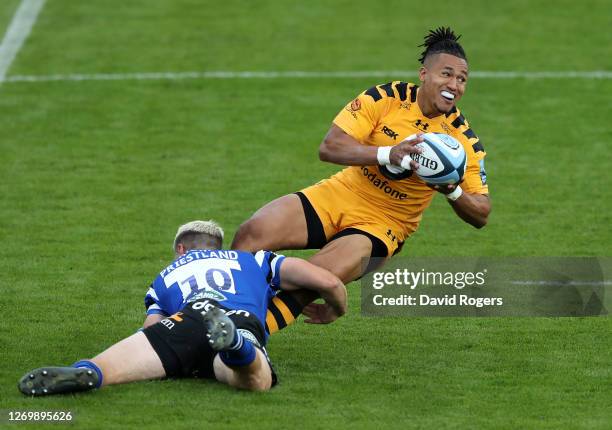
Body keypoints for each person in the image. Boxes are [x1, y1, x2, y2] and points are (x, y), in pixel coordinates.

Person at [231, 27, 491, 330]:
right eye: (446, 74)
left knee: (314, 277)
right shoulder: (386, 97)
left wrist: (452, 191)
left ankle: (245, 338)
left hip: (383, 226)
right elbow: (330, 147)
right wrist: (386, 154)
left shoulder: (462, 141)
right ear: (423, 73)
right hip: (341, 193)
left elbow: (482, 213)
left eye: (462, 79)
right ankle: (209, 310)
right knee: (252, 232)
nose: (454, 85)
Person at [18, 221, 347, 396]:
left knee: (118, 366)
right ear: (217, 246)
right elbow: (328, 282)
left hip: (183, 321)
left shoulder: (165, 276)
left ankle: (90, 371)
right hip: (237, 317)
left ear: (181, 248)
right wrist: (334, 309)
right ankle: (235, 347)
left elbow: (151, 328)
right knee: (253, 381)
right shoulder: (253, 259)